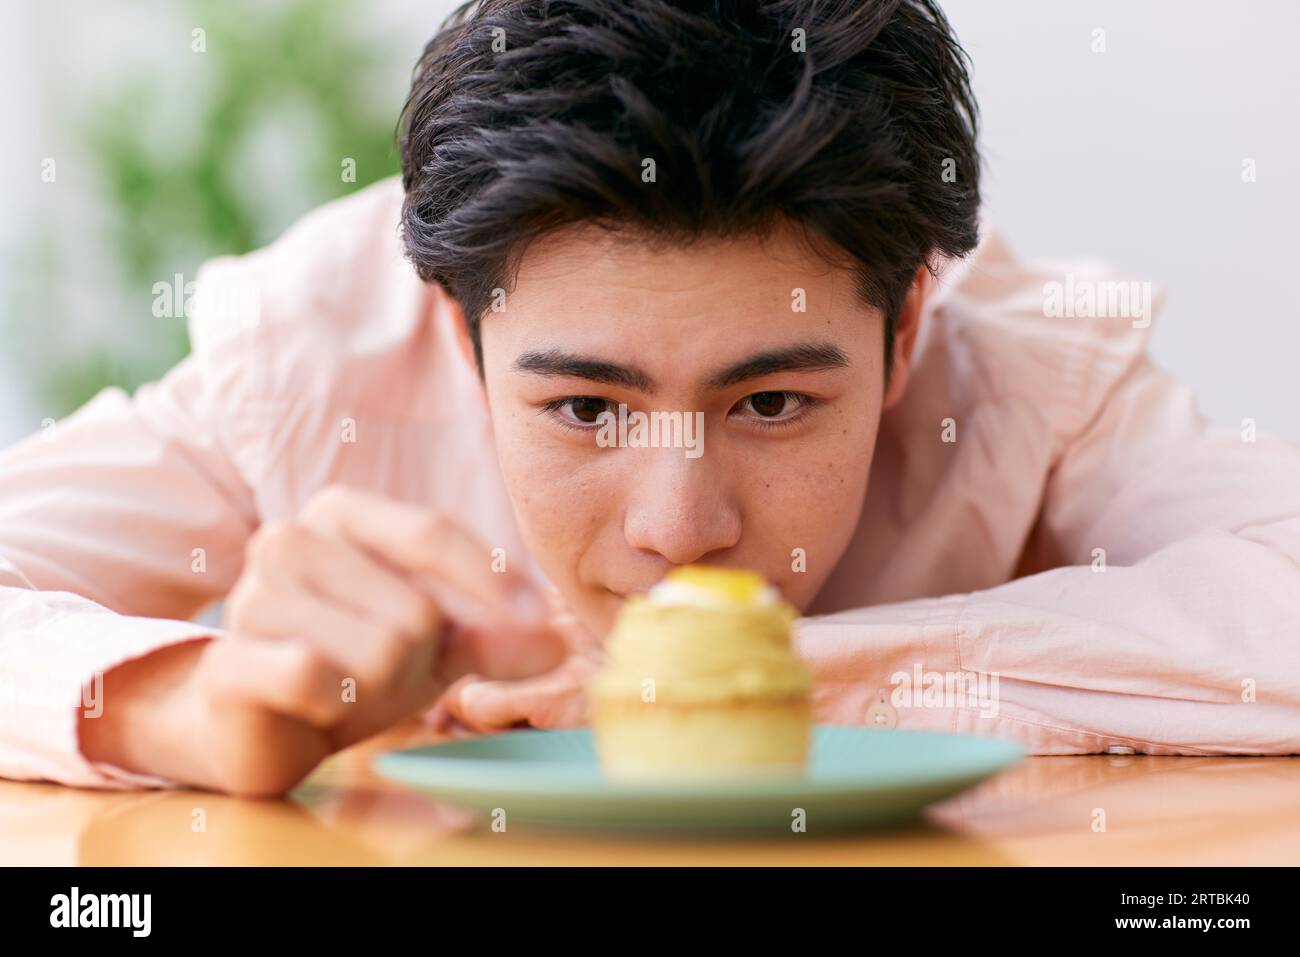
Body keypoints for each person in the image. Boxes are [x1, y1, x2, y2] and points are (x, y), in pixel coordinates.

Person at [2, 0, 1297, 796]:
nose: (679, 528)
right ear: (458, 336)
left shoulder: (1025, 367)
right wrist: (195, 701)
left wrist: (760, 687)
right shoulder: (312, 353)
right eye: (585, 409)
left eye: (773, 403)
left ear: (906, 329)